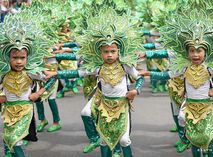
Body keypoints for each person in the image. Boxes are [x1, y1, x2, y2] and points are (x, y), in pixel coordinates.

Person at [140, 1, 213, 157]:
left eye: (199, 51)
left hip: (206, 109)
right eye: (192, 51)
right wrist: (149, 73)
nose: (195, 55)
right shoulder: (184, 68)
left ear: (206, 52)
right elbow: (167, 75)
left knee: (208, 138)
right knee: (194, 140)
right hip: (190, 108)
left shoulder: (210, 67)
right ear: (187, 52)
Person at [45, 8, 144, 157]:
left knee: (124, 140)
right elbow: (77, 72)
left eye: (113, 51)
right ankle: (98, 142)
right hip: (104, 107)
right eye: (106, 52)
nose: (109, 55)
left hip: (121, 106)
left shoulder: (126, 66)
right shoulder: (97, 68)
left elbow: (140, 78)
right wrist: (55, 73)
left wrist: (135, 91)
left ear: (119, 51)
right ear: (100, 53)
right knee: (104, 140)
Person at [0, 10, 54, 157]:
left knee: (15, 140)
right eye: (15, 57)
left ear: (27, 58)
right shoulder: (3, 73)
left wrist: (38, 93)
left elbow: (51, 79)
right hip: (8, 110)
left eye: (22, 58)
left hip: (25, 110)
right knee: (8, 137)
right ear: (7, 57)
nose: (18, 61)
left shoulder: (32, 72)